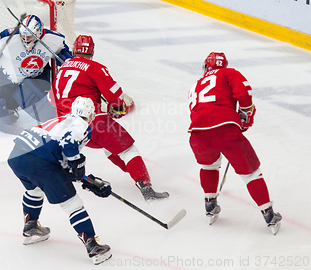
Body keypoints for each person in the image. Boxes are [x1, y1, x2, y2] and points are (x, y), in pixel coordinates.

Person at [51, 35, 169, 202]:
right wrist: (119, 108)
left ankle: (135, 173)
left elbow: (55, 101)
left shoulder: (61, 70)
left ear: (74, 50)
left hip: (66, 127)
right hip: (92, 122)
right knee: (128, 149)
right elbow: (116, 97)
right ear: (92, 52)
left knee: (109, 146)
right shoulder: (94, 67)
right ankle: (146, 188)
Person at [8, 97, 113, 265]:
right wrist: (78, 164)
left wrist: (86, 179)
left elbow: (60, 167)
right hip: (39, 161)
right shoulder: (81, 125)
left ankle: (31, 227)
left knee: (35, 190)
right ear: (91, 114)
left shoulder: (61, 120)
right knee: (73, 204)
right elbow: (69, 143)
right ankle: (93, 247)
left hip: (17, 156)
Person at [188, 52, 282, 234]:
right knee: (251, 173)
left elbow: (197, 109)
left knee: (209, 167)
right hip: (225, 131)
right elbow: (244, 92)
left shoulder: (196, 84)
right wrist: (245, 117)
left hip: (197, 134)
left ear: (207, 66)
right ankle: (269, 215)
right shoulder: (228, 73)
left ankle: (210, 205)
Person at [0, 14, 72, 125]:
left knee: (45, 114)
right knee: (3, 119)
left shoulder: (54, 39)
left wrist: (66, 62)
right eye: (23, 36)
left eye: (29, 37)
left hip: (36, 79)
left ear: (38, 34)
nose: (25, 39)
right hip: (9, 79)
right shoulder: (8, 38)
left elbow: (64, 54)